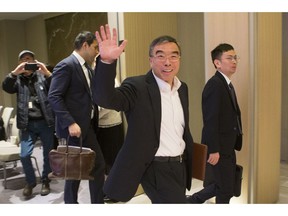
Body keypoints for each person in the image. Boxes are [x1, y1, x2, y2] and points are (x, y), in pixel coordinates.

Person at [93, 24, 194, 203]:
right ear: (151, 60)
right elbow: (105, 99)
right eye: (160, 56)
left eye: (173, 56)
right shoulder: (137, 87)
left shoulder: (182, 88)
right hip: (156, 167)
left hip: (180, 165)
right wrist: (107, 62)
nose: (168, 62)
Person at [48, 31, 105, 204]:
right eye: (95, 47)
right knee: (74, 172)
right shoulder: (66, 65)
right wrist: (70, 122)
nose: (97, 52)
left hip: (87, 127)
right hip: (73, 129)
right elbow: (54, 96)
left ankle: (96, 203)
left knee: (94, 166)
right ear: (85, 45)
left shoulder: (87, 67)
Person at [187, 43, 243, 204]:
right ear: (217, 63)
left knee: (226, 186)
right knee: (224, 189)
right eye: (229, 58)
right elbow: (210, 120)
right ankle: (190, 203)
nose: (234, 61)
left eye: (235, 57)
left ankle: (190, 202)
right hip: (219, 147)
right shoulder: (215, 85)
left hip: (228, 145)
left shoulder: (226, 84)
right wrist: (214, 149)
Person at [2, 50, 55, 198]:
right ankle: (30, 182)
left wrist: (47, 73)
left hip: (45, 122)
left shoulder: (42, 76)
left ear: (35, 62)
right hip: (27, 124)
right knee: (24, 154)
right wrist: (14, 73)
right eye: (23, 60)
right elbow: (6, 87)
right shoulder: (16, 79)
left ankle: (45, 180)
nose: (26, 62)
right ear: (19, 63)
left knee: (48, 154)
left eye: (29, 59)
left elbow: (56, 87)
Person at [97, 78, 124, 175]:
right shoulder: (93, 78)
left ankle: (112, 187)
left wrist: (94, 117)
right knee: (102, 162)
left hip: (112, 125)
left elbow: (112, 103)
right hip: (99, 126)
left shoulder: (112, 79)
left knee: (112, 161)